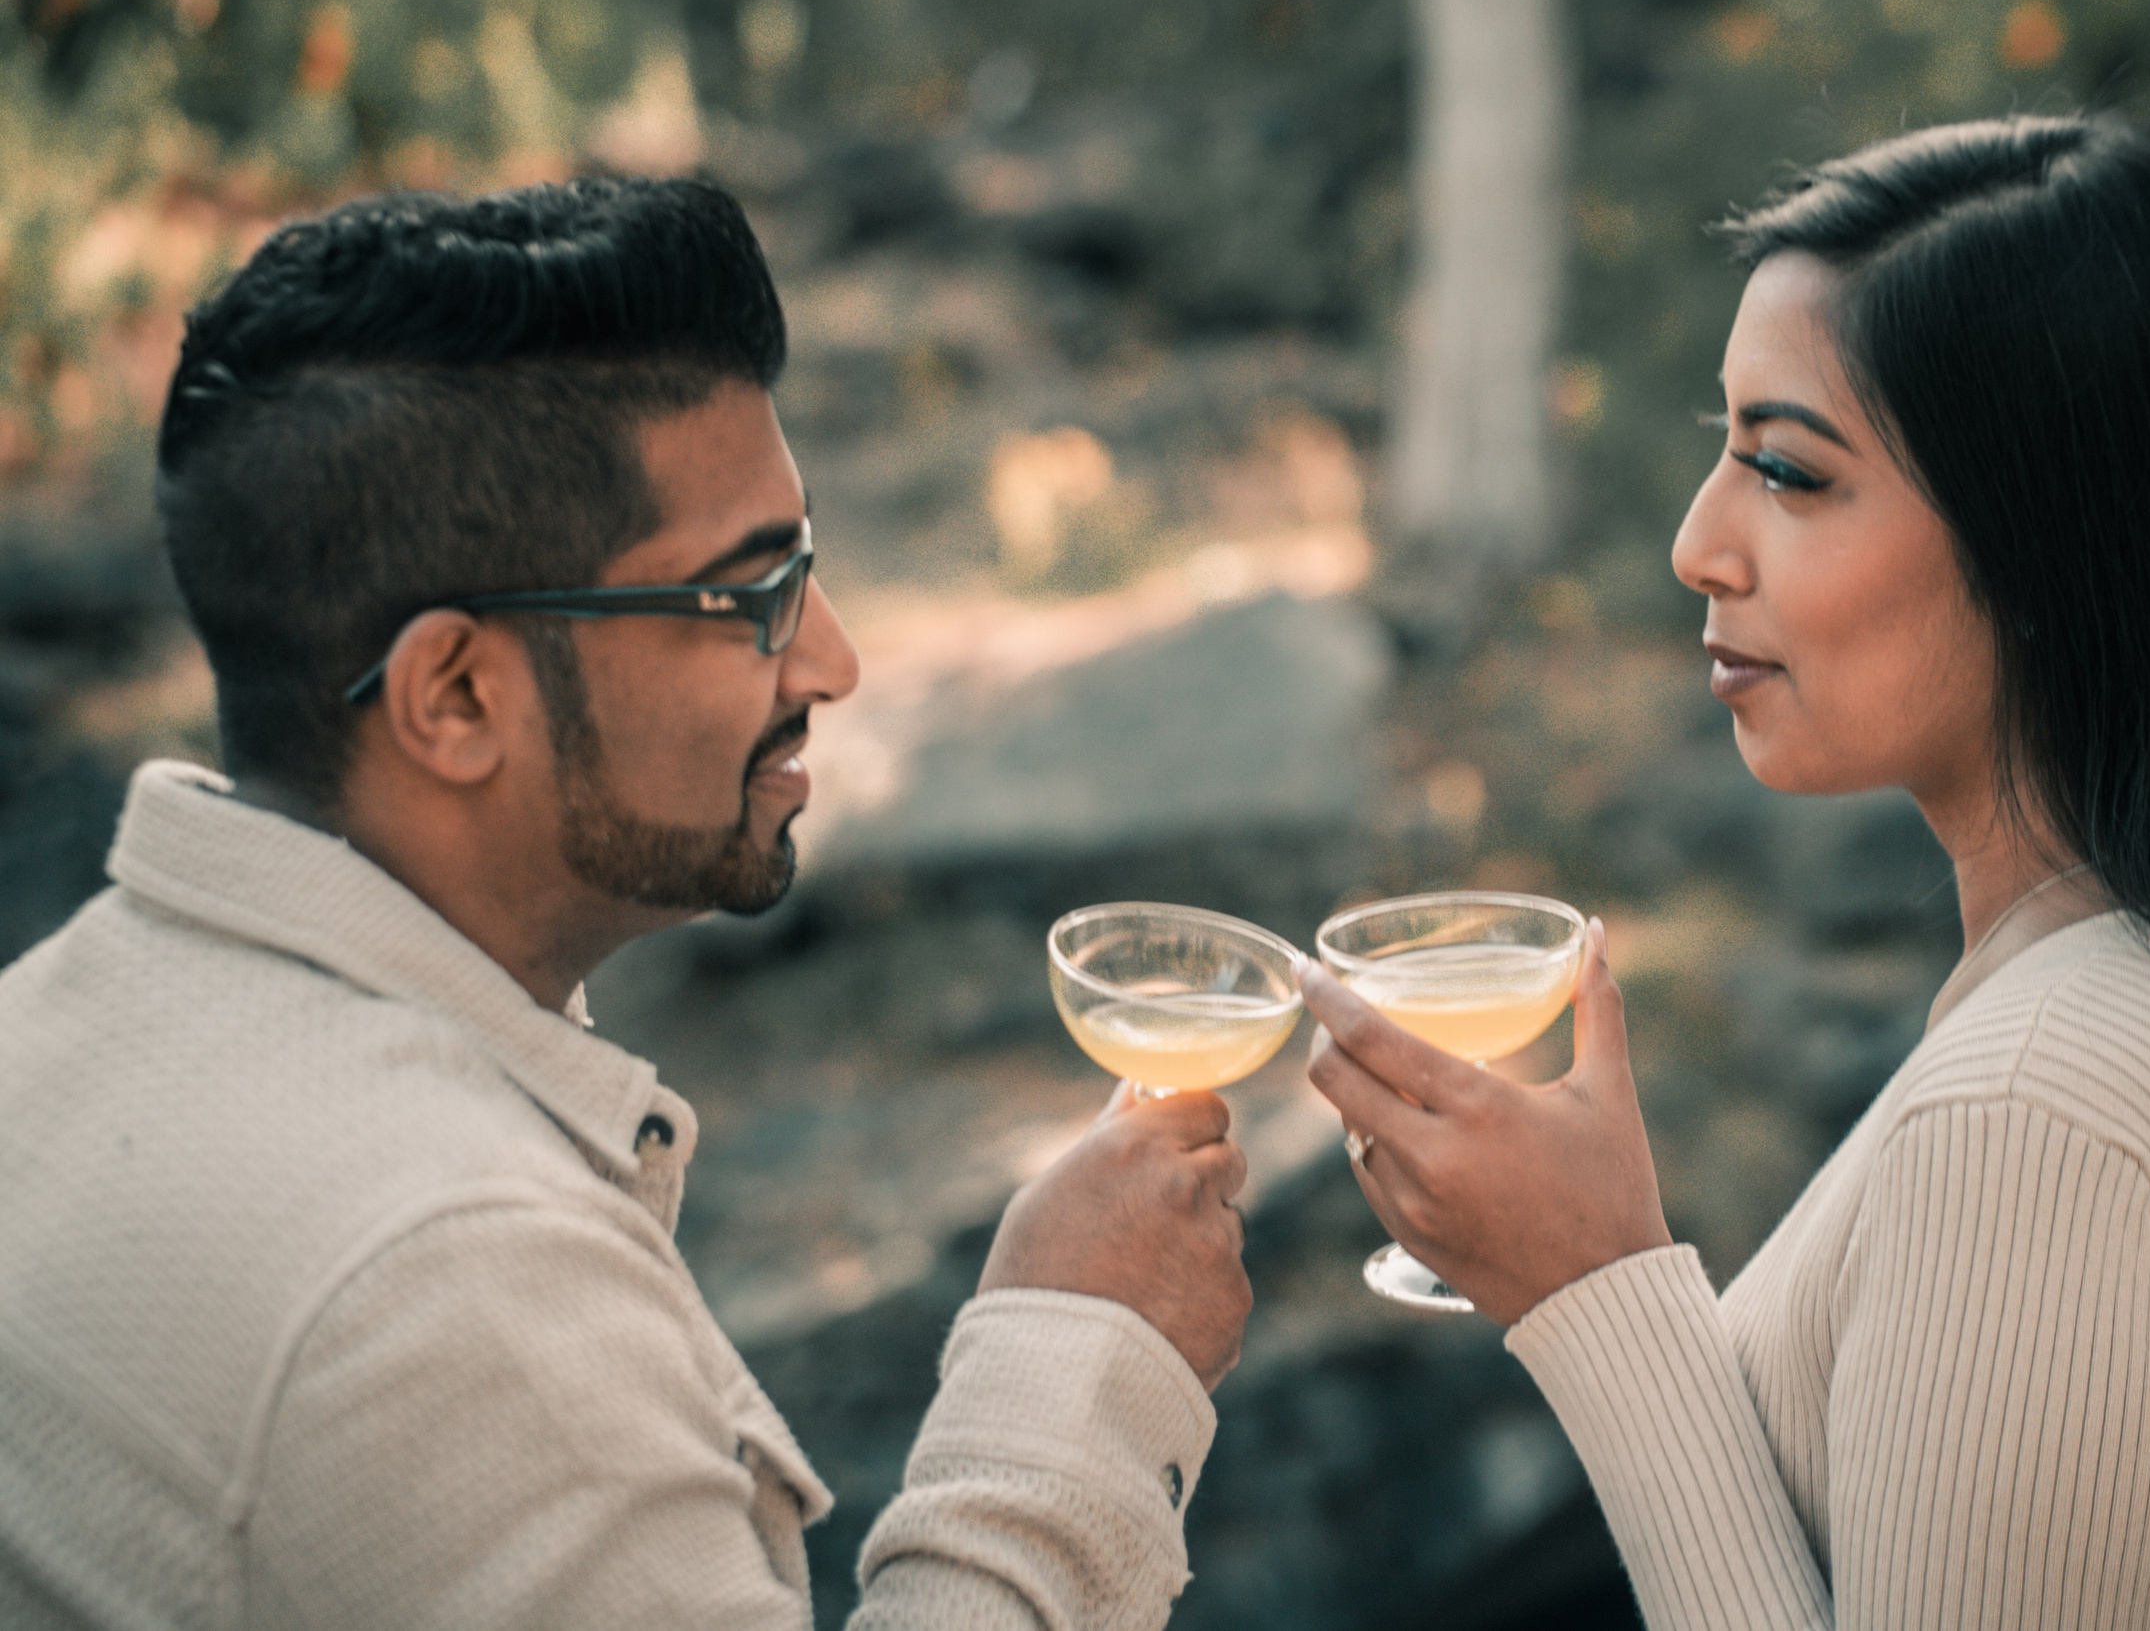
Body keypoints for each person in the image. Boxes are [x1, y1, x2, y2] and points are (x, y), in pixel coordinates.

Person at [1303, 112, 2150, 1628]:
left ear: (2055, 544)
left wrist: (1595, 1292)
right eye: (1725, 446)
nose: (1700, 544)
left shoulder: (2040, 1113)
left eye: (1788, 471)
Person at [0, 177, 1251, 1629]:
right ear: (456, 695)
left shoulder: (57, 1027)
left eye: (808, 569)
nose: (832, 662)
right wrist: (1078, 1365)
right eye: (752, 597)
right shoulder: (454, 1288)